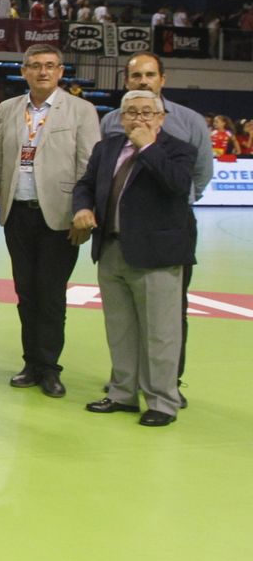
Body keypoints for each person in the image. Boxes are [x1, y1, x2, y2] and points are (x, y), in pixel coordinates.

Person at [72, 90, 198, 427]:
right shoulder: (106, 147)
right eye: (131, 112)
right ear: (121, 117)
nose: (138, 118)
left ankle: (162, 401)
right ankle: (122, 393)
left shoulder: (179, 150)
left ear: (161, 118)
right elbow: (85, 184)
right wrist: (83, 207)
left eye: (146, 112)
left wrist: (148, 147)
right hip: (112, 249)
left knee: (161, 333)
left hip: (156, 255)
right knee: (120, 328)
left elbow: (178, 185)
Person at [0, 44, 100, 398]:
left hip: (60, 215)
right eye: (35, 66)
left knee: (50, 295)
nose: (42, 72)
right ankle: (31, 362)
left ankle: (50, 367)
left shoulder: (81, 110)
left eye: (49, 66)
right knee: (25, 293)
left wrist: (85, 209)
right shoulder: (8, 109)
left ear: (61, 71)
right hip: (17, 212)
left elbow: (90, 166)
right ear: (24, 71)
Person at [96, 52, 212, 383]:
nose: (143, 81)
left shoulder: (189, 122)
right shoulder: (110, 122)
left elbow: (199, 175)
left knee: (171, 311)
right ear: (126, 81)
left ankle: (167, 382)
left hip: (169, 231)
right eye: (136, 76)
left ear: (163, 78)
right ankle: (126, 380)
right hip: (121, 231)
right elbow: (106, 171)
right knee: (124, 314)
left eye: (150, 74)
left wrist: (171, 208)